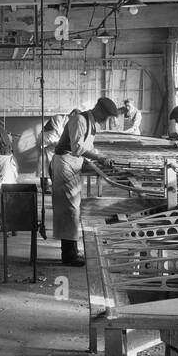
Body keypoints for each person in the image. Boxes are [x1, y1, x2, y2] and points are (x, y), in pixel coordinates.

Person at [49, 96, 119, 267]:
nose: (106, 121)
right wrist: (99, 158)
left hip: (73, 163)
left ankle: (71, 250)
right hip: (65, 163)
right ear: (101, 111)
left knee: (72, 209)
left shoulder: (90, 122)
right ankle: (69, 255)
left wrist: (101, 157)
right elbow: (78, 147)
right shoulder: (80, 120)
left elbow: (87, 146)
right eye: (107, 117)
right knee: (69, 209)